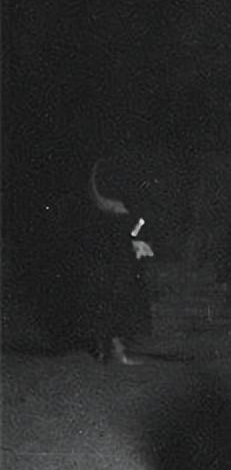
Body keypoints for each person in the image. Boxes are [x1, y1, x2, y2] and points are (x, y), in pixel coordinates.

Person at [82, 154, 159, 365]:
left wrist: (137, 236)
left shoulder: (130, 208)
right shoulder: (119, 207)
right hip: (115, 251)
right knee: (115, 295)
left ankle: (113, 347)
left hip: (120, 249)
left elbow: (137, 225)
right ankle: (111, 347)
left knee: (117, 295)